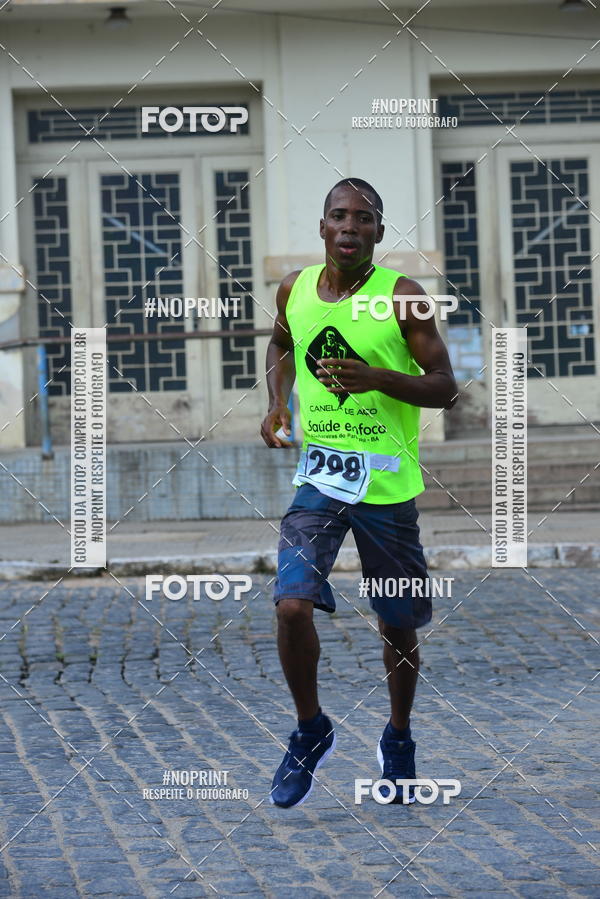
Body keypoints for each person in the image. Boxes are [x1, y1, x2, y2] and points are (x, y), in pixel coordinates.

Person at [260, 177, 458, 808]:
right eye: (338, 216)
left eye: (363, 218)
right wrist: (275, 404)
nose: (349, 227)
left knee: (397, 620)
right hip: (319, 478)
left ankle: (398, 737)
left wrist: (376, 376)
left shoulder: (403, 299)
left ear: (378, 231)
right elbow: (279, 345)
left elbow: (445, 386)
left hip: (387, 486)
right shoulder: (294, 290)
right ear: (322, 227)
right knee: (291, 604)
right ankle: (310, 729)